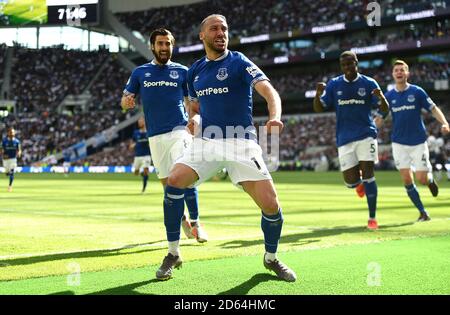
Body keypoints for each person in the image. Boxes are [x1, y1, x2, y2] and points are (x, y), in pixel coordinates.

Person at [154, 14, 297, 282]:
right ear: (202, 36)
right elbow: (195, 107)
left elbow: (269, 92)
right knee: (173, 181)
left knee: (271, 205)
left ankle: (271, 258)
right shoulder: (194, 71)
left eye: (224, 29)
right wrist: (194, 119)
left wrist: (275, 116)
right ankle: (173, 253)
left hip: (240, 141)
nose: (221, 33)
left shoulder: (239, 62)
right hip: (206, 142)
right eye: (214, 29)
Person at [121, 28, 208, 242]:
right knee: (168, 185)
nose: (164, 47)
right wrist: (127, 103)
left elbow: (192, 102)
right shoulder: (140, 72)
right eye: (160, 43)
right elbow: (125, 101)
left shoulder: (182, 71)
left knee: (186, 178)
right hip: (155, 137)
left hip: (179, 131)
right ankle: (183, 221)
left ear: (172, 45)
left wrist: (193, 119)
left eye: (167, 43)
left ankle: (197, 224)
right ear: (152, 46)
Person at [313, 51, 389, 230]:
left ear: (356, 63)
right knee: (350, 182)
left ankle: (372, 218)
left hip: (366, 134)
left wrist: (382, 97)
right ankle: (358, 184)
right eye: (344, 65)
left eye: (350, 64)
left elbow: (384, 109)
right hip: (344, 138)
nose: (347, 68)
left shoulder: (369, 83)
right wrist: (317, 95)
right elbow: (319, 108)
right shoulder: (334, 84)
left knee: (369, 175)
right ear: (341, 66)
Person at [375, 60, 449, 221]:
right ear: (393, 74)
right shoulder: (388, 96)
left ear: (407, 73)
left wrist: (444, 123)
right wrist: (370, 131)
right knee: (407, 178)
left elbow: (433, 109)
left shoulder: (417, 92)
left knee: (421, 179)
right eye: (396, 70)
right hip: (398, 143)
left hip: (418, 142)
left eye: (402, 70)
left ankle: (429, 180)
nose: (399, 72)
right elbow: (380, 118)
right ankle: (423, 212)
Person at [129, 117, 152, 193]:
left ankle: (143, 189)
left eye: (141, 121)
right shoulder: (136, 133)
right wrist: (132, 146)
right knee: (136, 173)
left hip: (146, 155)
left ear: (145, 122)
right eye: (139, 122)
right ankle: (143, 174)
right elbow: (131, 144)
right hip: (138, 155)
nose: (139, 123)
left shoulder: (149, 132)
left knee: (146, 170)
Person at [1, 127, 21, 192]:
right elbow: (1, 149)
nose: (12, 133)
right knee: (7, 172)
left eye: (13, 132)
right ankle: (7, 173)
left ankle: (10, 186)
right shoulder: (4, 141)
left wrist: (19, 153)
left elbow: (19, 149)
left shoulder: (17, 141)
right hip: (6, 159)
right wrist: (3, 154)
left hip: (13, 158)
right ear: (8, 133)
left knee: (12, 172)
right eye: (10, 132)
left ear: (14, 133)